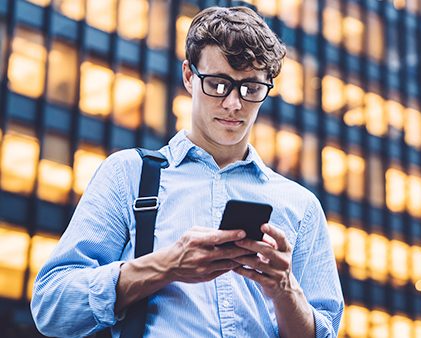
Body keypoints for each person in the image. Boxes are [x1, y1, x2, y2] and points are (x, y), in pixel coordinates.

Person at [31, 6, 344, 338]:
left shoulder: (301, 205)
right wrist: (167, 265)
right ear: (189, 76)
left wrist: (284, 289)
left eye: (250, 88)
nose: (234, 104)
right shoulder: (128, 175)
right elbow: (53, 305)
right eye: (219, 84)